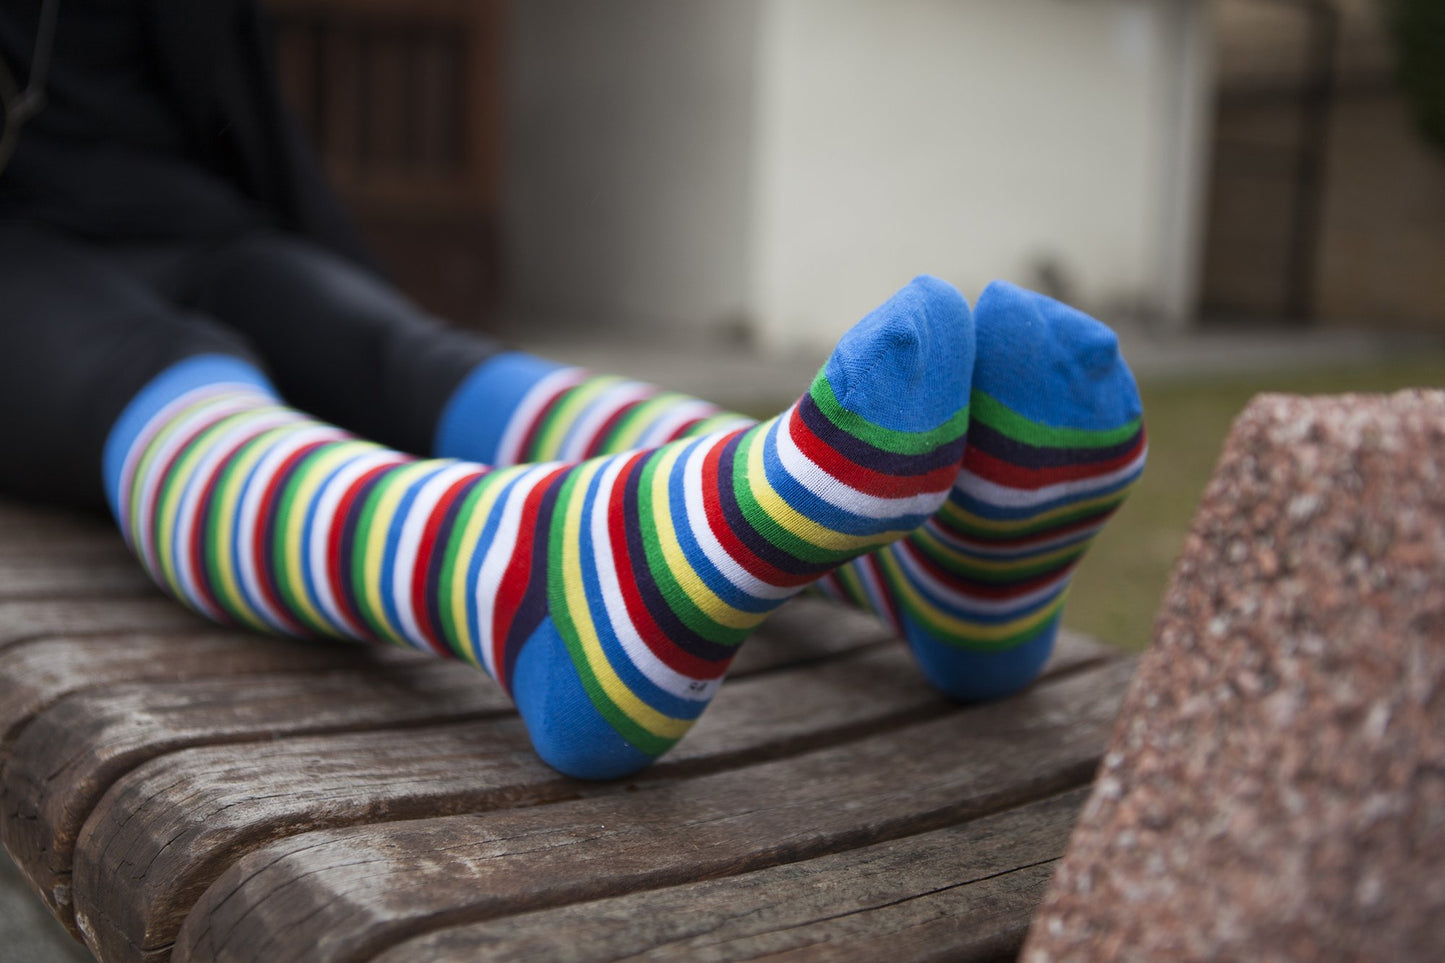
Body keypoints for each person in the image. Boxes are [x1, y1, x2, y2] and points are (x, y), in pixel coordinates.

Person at [0, 0, 1145, 779]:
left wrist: (355, 309)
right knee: (169, 381)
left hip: (190, 208)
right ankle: (533, 587)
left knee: (410, 358)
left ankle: (925, 577)